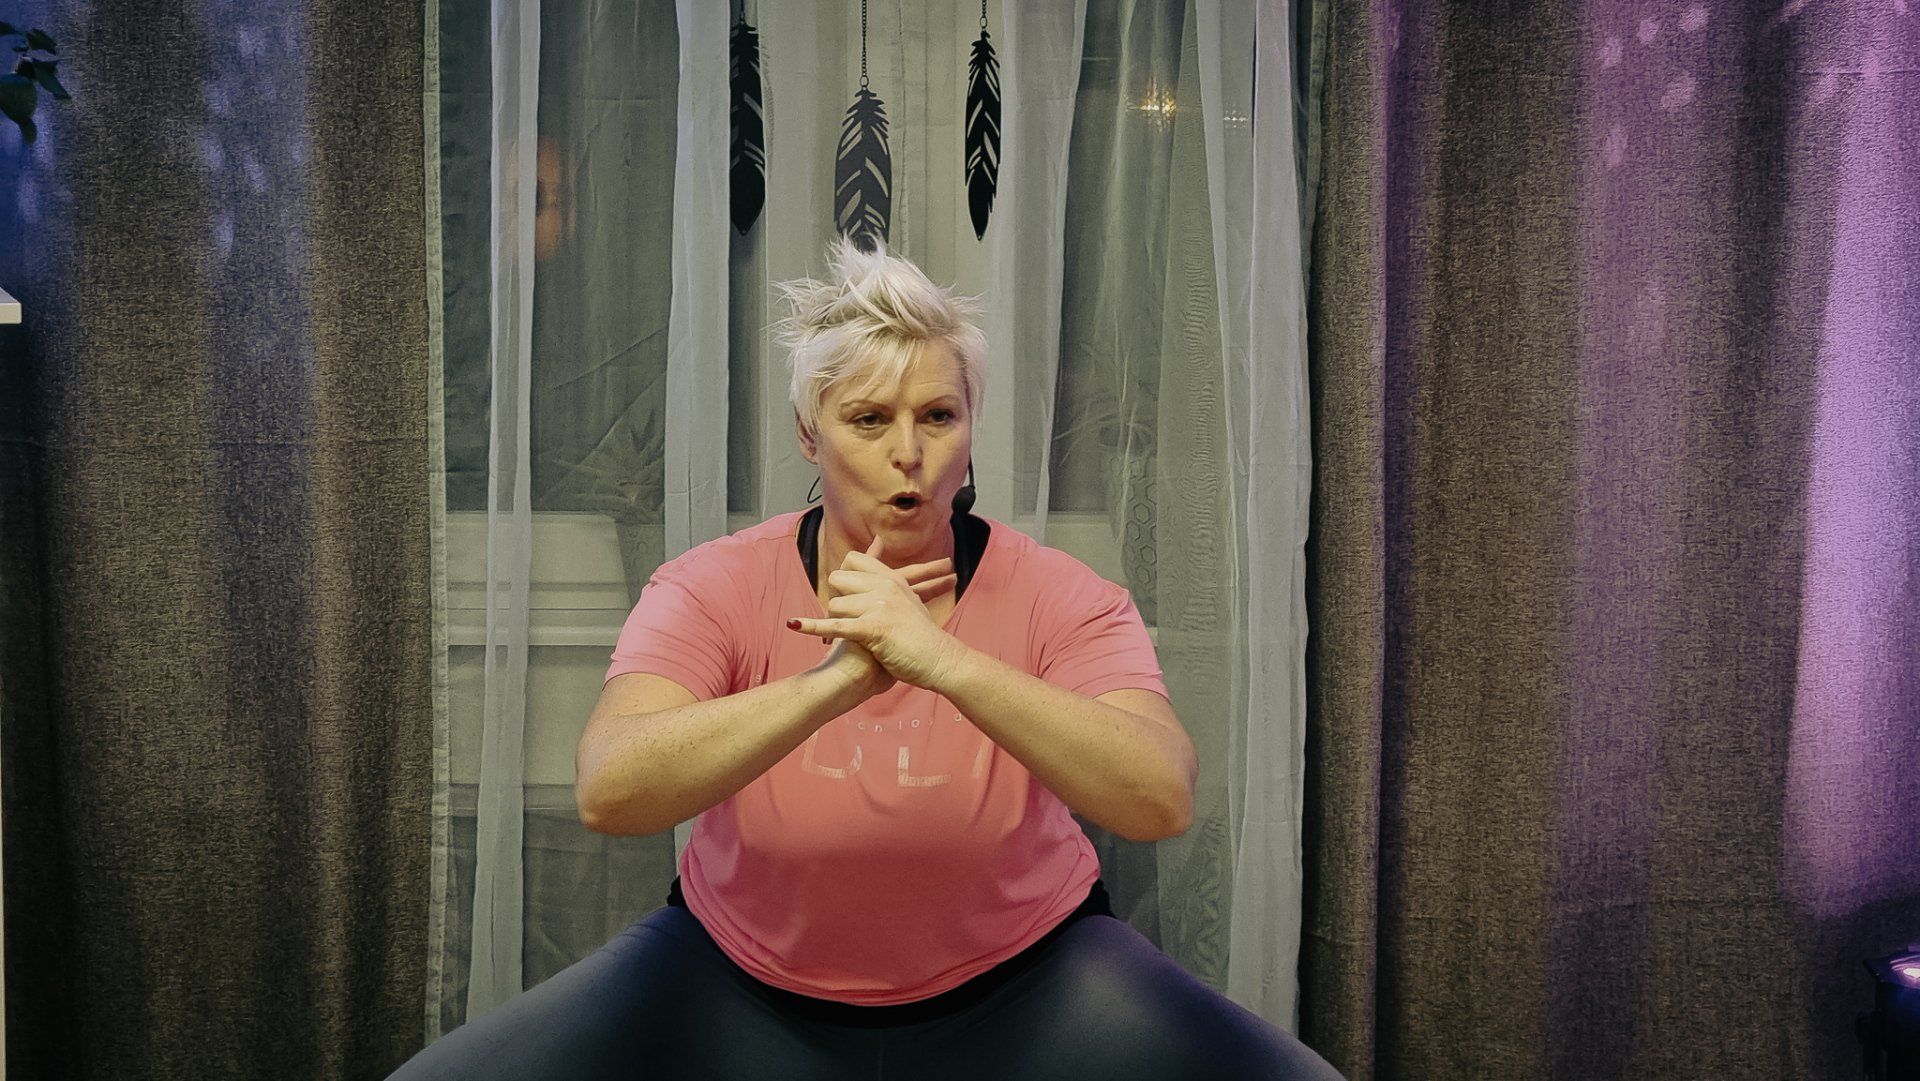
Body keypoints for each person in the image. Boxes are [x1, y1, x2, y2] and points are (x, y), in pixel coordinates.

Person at [386, 237, 1343, 1080]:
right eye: (869, 419)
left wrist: (941, 660)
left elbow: (1160, 797)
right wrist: (839, 680)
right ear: (810, 434)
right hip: (740, 977)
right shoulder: (711, 584)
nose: (909, 453)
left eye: (938, 416)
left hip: (1029, 976)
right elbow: (611, 788)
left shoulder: (1062, 594)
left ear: (971, 429)